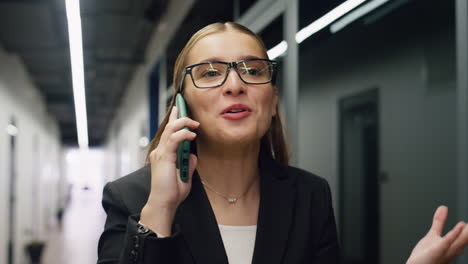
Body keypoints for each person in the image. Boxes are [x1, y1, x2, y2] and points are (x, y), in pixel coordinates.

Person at [97, 22, 468, 264]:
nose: (234, 84)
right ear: (180, 105)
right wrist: (161, 208)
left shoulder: (309, 196)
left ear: (272, 101)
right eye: (210, 73)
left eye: (253, 70)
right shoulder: (132, 197)